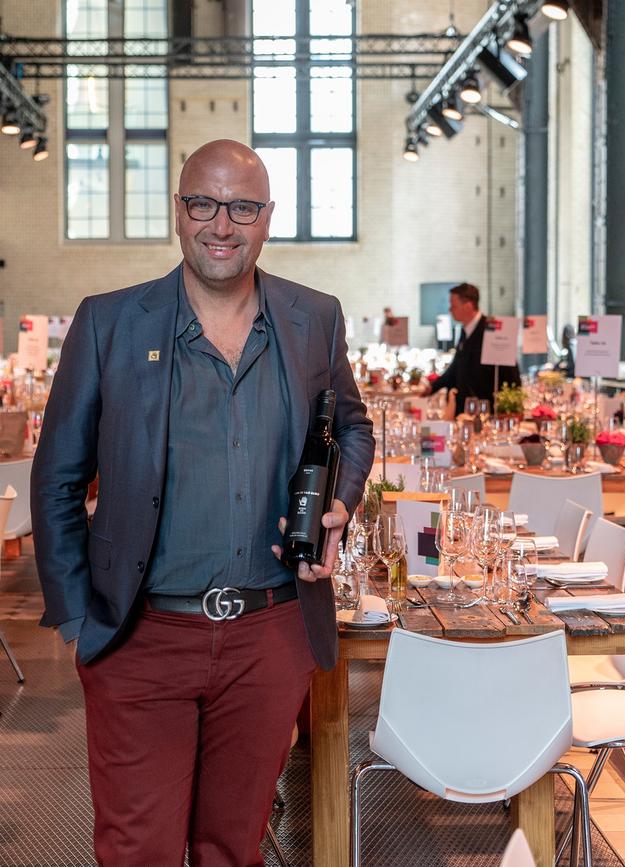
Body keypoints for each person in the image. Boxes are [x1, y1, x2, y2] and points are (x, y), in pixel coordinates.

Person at [30, 139, 375, 867]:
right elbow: (58, 475)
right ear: (178, 212)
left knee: (233, 846)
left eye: (242, 207)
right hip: (140, 634)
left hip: (269, 633)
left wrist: (341, 501)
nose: (222, 224)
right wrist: (76, 620)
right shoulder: (109, 323)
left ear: (267, 217)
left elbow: (352, 423)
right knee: (138, 850)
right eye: (204, 204)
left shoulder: (314, 317)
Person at [421, 282, 521, 415]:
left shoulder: (493, 329)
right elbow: (455, 368)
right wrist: (432, 387)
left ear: (468, 306)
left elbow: (511, 374)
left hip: (487, 411)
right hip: (465, 410)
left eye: (453, 305)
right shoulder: (465, 330)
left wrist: (511, 408)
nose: (450, 310)